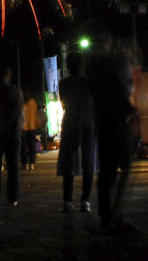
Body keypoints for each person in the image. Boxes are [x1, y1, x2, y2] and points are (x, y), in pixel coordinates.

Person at [87, 30, 137, 233]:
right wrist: (130, 109)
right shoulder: (108, 66)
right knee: (122, 167)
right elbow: (118, 90)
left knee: (107, 170)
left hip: (102, 121)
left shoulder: (92, 69)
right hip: (116, 122)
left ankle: (107, 215)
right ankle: (115, 215)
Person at [57, 52, 97, 212]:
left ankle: (67, 200)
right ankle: (85, 200)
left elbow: (64, 104)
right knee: (88, 162)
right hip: (87, 122)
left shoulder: (63, 84)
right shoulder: (89, 82)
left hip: (70, 123)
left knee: (69, 162)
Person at [0, 66, 24, 206]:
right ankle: (13, 198)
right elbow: (18, 113)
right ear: (8, 75)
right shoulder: (16, 92)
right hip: (13, 133)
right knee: (13, 167)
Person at [21, 89, 40, 170]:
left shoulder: (21, 103)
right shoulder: (33, 102)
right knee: (32, 146)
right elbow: (36, 114)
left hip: (23, 127)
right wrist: (37, 124)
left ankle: (24, 163)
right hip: (32, 127)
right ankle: (32, 163)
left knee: (23, 147)